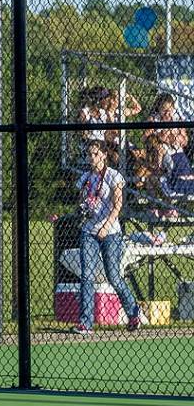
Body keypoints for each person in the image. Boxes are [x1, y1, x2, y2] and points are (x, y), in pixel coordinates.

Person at [73, 140, 142, 335]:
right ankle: (85, 323)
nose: (91, 158)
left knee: (113, 276)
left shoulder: (113, 176)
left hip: (110, 233)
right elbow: (82, 201)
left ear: (103, 155)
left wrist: (106, 225)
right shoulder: (86, 178)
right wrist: (82, 207)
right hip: (89, 231)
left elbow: (117, 205)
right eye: (89, 154)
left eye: (95, 154)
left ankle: (134, 311)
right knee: (87, 275)